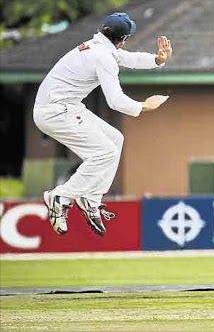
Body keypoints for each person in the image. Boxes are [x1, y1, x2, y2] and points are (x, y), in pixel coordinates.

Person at [34, 13, 172, 237]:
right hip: (56, 111)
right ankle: (62, 196)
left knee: (115, 139)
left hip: (63, 107)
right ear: (124, 38)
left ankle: (91, 199)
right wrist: (145, 106)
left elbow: (128, 59)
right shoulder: (103, 57)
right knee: (104, 153)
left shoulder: (99, 47)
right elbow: (115, 101)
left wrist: (158, 60)